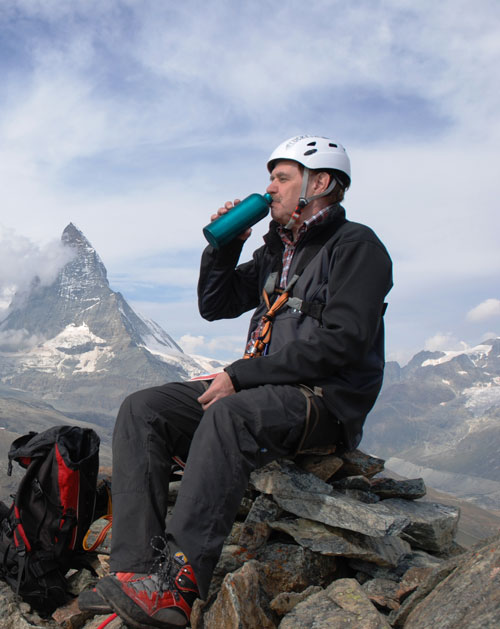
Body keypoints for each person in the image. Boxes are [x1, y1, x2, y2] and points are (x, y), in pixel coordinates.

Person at [88, 136, 393, 628]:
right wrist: (225, 244)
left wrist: (240, 374)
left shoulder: (357, 247)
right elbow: (216, 304)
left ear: (321, 183)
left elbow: (343, 343)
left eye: (282, 177)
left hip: (323, 399)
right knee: (144, 408)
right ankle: (134, 573)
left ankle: (174, 588)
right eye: (270, 177)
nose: (269, 187)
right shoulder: (279, 251)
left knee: (229, 415)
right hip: (265, 389)